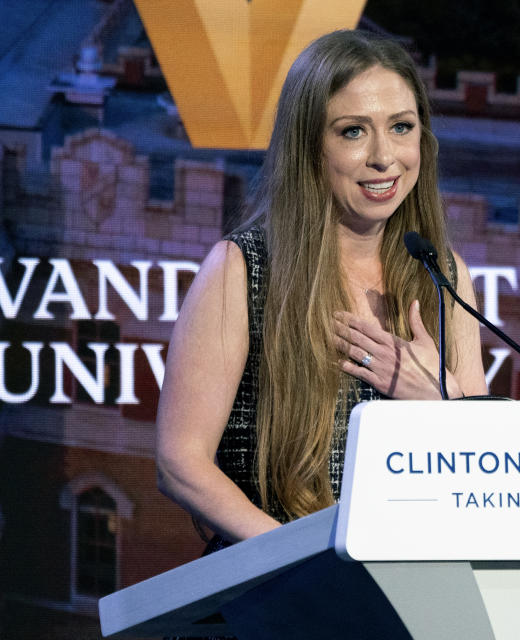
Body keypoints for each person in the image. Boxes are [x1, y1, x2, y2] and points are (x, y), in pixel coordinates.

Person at [155, 30, 488, 546]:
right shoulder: (241, 270)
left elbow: (486, 467)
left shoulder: (442, 272)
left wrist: (436, 400)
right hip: (276, 595)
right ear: (310, 145)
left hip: (413, 590)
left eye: (401, 127)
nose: (385, 157)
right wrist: (303, 561)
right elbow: (180, 463)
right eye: (353, 132)